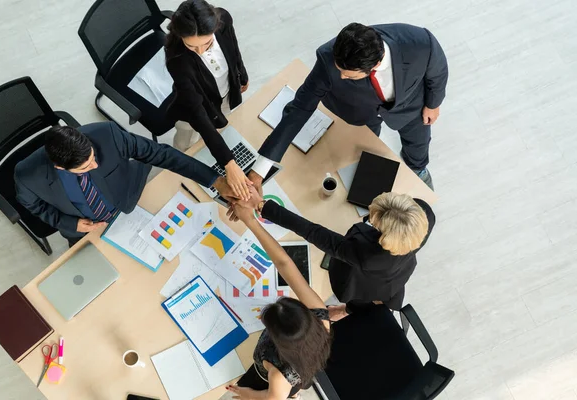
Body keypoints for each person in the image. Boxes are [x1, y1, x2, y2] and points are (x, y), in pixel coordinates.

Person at [248, 23, 448, 191]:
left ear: (375, 65)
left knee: (419, 143)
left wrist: (433, 104)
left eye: (348, 75)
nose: (341, 77)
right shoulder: (328, 59)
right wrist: (260, 170)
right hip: (359, 112)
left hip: (410, 108)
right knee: (367, 149)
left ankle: (418, 168)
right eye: (340, 71)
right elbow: (300, 108)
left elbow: (438, 73)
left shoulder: (421, 44)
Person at [14, 121, 235, 247]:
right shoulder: (27, 177)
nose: (95, 165)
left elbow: (161, 154)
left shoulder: (107, 134)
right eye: (84, 168)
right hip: (85, 232)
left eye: (92, 157)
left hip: (130, 199)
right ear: (60, 167)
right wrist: (70, 224)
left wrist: (215, 180)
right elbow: (35, 207)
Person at [230, 189, 435, 315]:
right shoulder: (422, 217)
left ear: (386, 237)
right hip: (397, 276)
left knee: (356, 298)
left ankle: (346, 310)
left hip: (363, 286)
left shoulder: (366, 254)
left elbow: (313, 232)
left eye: (374, 221)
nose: (370, 219)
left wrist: (260, 205)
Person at [225, 200, 331, 399]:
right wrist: (251, 221)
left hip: (274, 386)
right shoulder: (320, 316)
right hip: (304, 368)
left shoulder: (277, 370)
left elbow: (274, 398)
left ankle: (294, 395)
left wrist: (249, 395)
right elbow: (284, 263)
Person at [165, 0, 252, 200]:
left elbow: (234, 51)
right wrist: (228, 162)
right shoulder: (177, 59)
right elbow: (198, 113)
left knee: (221, 124)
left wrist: (242, 75)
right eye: (192, 46)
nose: (201, 51)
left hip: (224, 95)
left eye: (207, 43)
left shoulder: (224, 20)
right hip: (192, 109)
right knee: (187, 144)